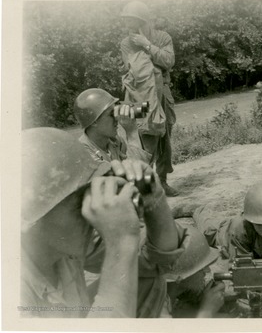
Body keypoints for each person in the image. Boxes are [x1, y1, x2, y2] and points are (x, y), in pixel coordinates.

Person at [21, 128, 187, 318]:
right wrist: (121, 241)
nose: (92, 209)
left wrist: (154, 197)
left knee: (143, 278)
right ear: (29, 217)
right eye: (78, 202)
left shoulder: (63, 245)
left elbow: (157, 263)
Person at [120, 0, 179, 197]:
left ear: (143, 21)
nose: (129, 28)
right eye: (126, 23)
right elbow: (138, 69)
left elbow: (169, 61)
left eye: (132, 22)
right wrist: (155, 64)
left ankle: (162, 181)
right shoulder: (126, 44)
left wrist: (147, 45)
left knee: (165, 138)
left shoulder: (162, 37)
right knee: (143, 139)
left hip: (163, 94)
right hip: (139, 96)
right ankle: (143, 187)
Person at [193, 175, 262, 261]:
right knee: (206, 232)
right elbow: (243, 269)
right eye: (259, 225)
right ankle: (197, 210)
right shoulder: (239, 229)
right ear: (251, 222)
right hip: (227, 233)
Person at [74, 87, 151, 164]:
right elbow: (137, 173)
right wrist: (131, 133)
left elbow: (145, 168)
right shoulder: (83, 153)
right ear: (94, 121)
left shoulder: (115, 141)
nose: (117, 118)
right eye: (111, 114)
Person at [165, 222, 226, 318]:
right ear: (180, 277)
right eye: (201, 268)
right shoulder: (153, 308)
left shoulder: (164, 294)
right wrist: (207, 311)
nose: (207, 271)